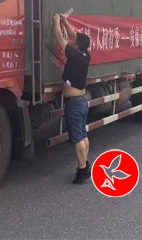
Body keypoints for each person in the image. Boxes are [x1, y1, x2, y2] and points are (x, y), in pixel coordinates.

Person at [53, 14, 92, 184]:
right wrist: (65, 22)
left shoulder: (74, 56)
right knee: (82, 135)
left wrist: (56, 22)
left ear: (76, 46)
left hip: (74, 104)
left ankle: (82, 169)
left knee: (77, 138)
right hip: (81, 101)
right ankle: (85, 164)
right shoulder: (85, 55)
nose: (72, 39)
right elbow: (73, 36)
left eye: (74, 41)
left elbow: (60, 38)